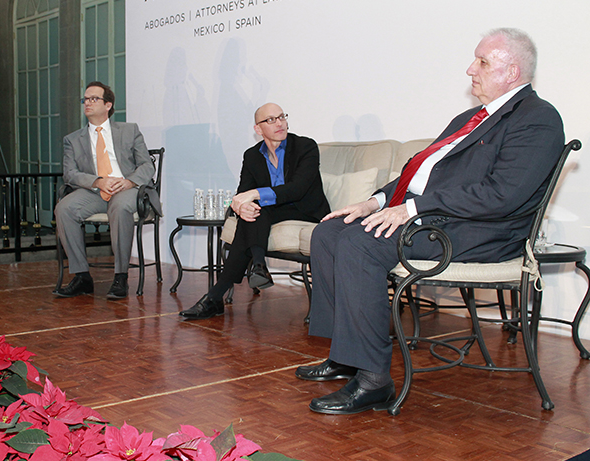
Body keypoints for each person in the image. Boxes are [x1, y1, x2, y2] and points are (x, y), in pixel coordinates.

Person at [298, 28, 564, 415]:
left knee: (359, 244)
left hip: (484, 231)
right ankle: (346, 355)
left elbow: (503, 194)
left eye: (483, 62)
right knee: (329, 232)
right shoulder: (470, 117)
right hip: (443, 218)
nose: (470, 69)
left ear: (512, 71)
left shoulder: (538, 119)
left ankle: (374, 379)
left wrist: (413, 209)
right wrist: (373, 202)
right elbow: (419, 170)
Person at [180, 103, 330, 320]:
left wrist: (254, 196)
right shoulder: (252, 155)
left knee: (256, 209)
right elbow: (244, 191)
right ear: (258, 129)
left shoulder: (305, 146)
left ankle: (218, 294)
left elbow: (298, 188)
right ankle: (257, 267)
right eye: (270, 120)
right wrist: (244, 204)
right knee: (253, 213)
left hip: (305, 209)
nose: (279, 123)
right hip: (272, 210)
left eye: (281, 117)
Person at [54, 82, 154, 299]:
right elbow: (70, 173)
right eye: (85, 99)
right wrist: (97, 181)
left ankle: (121, 276)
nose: (87, 103)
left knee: (118, 207)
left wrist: (129, 182)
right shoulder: (73, 139)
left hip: (126, 189)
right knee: (64, 209)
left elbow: (147, 165)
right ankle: (82, 276)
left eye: (93, 99)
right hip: (95, 191)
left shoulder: (129, 130)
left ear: (108, 104)